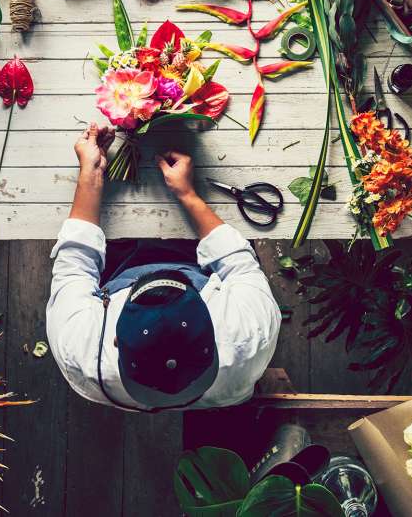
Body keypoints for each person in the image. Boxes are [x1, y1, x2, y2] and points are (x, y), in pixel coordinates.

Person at [47, 123, 281, 412]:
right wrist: (188, 195)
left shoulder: (79, 351)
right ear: (213, 323)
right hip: (197, 267)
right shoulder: (249, 337)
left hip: (120, 269)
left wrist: (91, 174)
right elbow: (239, 262)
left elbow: (75, 262)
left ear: (116, 340)